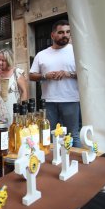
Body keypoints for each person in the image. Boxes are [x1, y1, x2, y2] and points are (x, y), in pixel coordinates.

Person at [30, 19, 81, 147]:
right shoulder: (42, 55)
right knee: (48, 135)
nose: (65, 35)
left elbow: (87, 75)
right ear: (52, 35)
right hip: (48, 101)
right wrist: (45, 76)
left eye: (68, 32)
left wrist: (68, 74)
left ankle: (77, 165)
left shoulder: (77, 51)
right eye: (61, 32)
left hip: (71, 100)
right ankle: (53, 163)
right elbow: (31, 75)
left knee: (73, 136)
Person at [0, 48, 28, 124]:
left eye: (3, 60)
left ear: (9, 60)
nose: (0, 62)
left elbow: (24, 92)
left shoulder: (16, 72)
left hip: (12, 107)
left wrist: (21, 110)